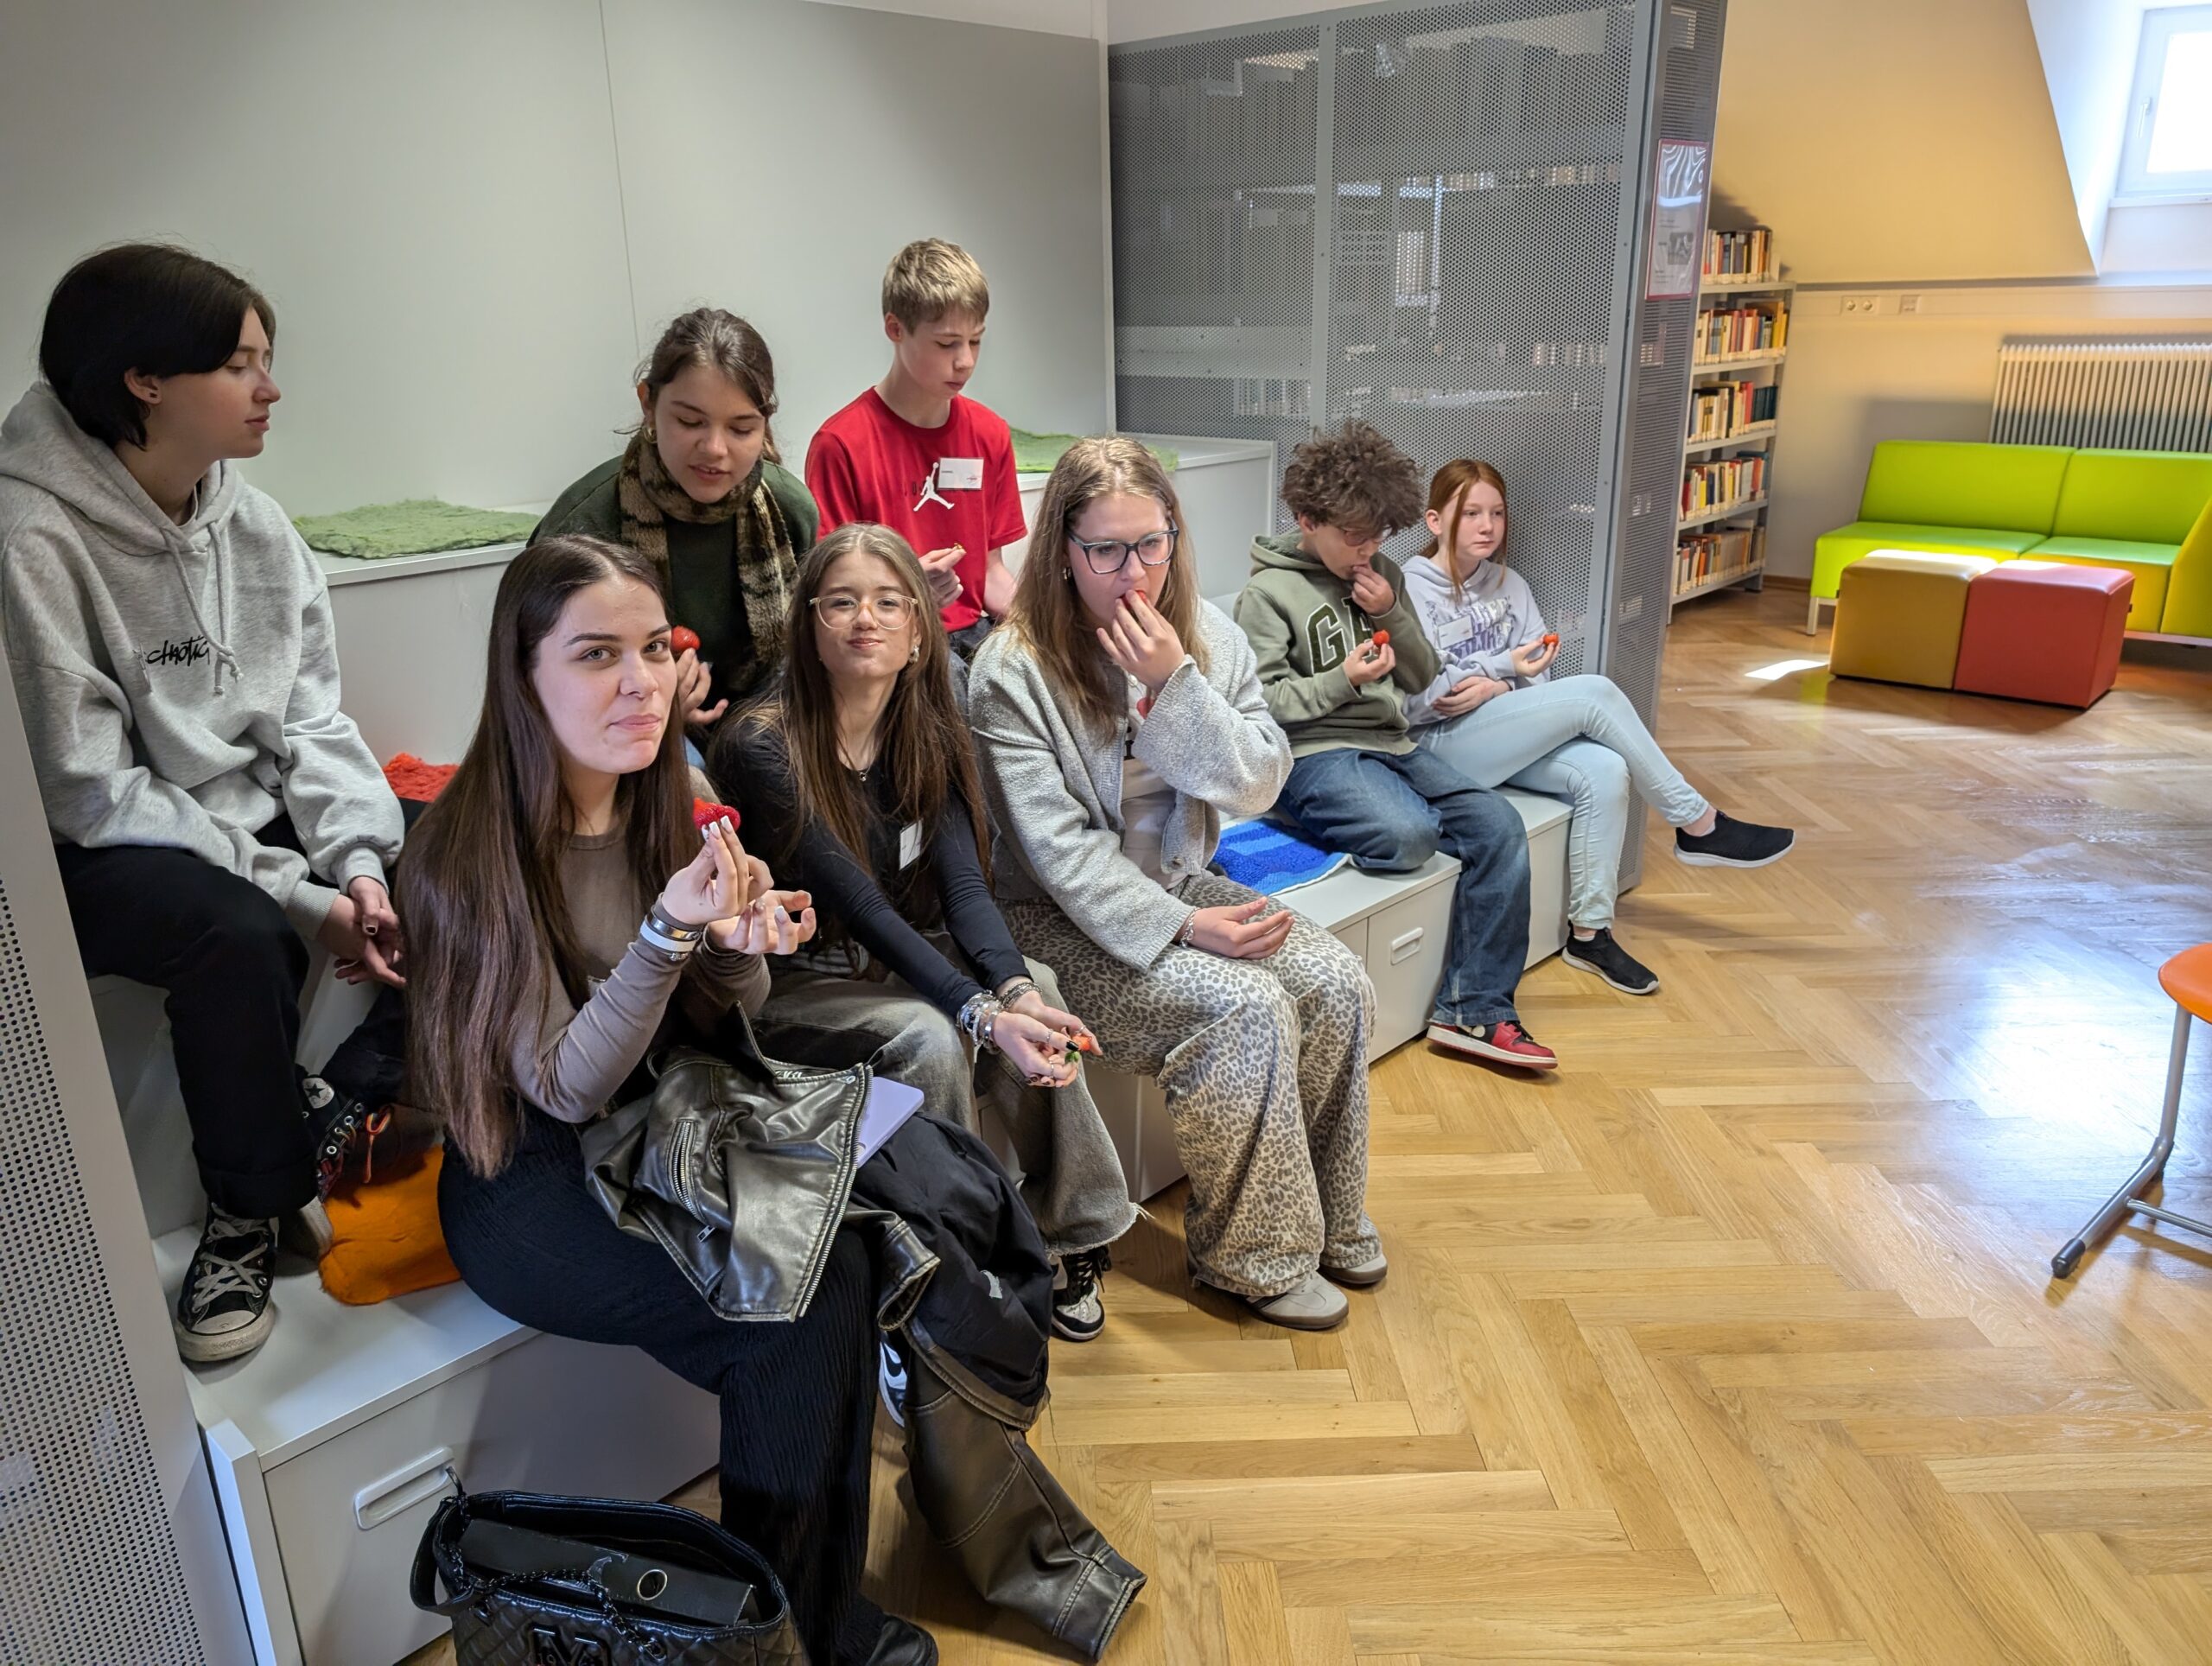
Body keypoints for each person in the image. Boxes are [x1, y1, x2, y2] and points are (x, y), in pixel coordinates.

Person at [398, 534, 938, 1665]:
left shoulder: (670, 796)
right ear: (523, 674)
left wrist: (733, 941)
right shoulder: (465, 850)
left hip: (657, 1121)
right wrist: (665, 934)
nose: (641, 682)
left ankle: (796, 1620)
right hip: (527, 1180)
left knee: (849, 1247)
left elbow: (723, 1009)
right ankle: (796, 1630)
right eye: (597, 654)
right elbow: (561, 1084)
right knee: (796, 1304)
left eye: (653, 648)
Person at [0, 244, 410, 1364]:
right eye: (240, 365)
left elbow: (312, 721)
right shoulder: (33, 536)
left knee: (451, 861)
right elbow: (87, 785)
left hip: (232, 807)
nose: (270, 389)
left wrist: (360, 864)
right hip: (97, 839)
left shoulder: (257, 526)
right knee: (234, 932)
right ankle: (246, 1210)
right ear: (145, 380)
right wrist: (300, 896)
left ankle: (337, 1101)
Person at [969, 436, 1383, 1333]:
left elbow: (1259, 784)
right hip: (1051, 919)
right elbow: (1059, 858)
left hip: (1177, 880)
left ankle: (1326, 1218)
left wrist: (1174, 686)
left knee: (1336, 981)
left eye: (1151, 544)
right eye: (1105, 550)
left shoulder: (1206, 637)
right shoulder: (1010, 670)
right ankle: (1253, 1256)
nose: (1134, 572)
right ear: (1061, 550)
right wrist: (1187, 929)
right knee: (1242, 1006)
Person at [709, 523, 1138, 1342]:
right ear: (809, 624)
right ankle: (955, 1262)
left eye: (887, 602)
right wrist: (979, 1014)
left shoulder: (926, 725)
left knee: (1041, 991)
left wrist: (1011, 991)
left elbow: (964, 886)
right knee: (933, 1036)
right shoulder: (763, 746)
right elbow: (862, 908)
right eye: (840, 602)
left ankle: (1074, 1228)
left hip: (896, 950)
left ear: (917, 630)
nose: (864, 619)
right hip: (795, 978)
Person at [1403, 461, 1796, 995]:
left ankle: (1590, 934)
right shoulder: (1410, 589)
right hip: (1442, 746)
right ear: (1434, 521)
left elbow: (1538, 677)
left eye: (1496, 512)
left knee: (1607, 769)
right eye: (1470, 513)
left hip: (1502, 730)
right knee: (1595, 692)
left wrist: (1498, 685)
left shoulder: (1510, 584)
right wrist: (1501, 668)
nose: (1487, 526)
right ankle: (1698, 823)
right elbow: (1424, 697)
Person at [1235, 421, 1557, 1071]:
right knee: (1409, 836)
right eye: (1354, 536)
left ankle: (1474, 1011)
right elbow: (1262, 705)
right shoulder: (1266, 594)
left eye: (1379, 535)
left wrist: (1389, 612)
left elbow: (1420, 676)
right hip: (1312, 754)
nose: (1368, 550)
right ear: (1308, 519)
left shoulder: (1383, 574)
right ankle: (1296, 813)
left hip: (1394, 744)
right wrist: (1343, 679)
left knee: (1498, 825)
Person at [534, 308, 818, 744]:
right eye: (690, 422)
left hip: (763, 730)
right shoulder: (583, 527)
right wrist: (651, 708)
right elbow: (534, 685)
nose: (715, 448)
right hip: (618, 740)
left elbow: (806, 658)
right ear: (648, 403)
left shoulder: (790, 511)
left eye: (742, 429)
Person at [805, 240, 1026, 660]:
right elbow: (836, 596)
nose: (965, 361)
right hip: (889, 641)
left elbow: (992, 574)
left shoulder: (990, 433)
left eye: (975, 341)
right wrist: (905, 590)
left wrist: (1046, 634)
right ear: (895, 329)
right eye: (947, 344)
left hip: (975, 633)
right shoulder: (841, 444)